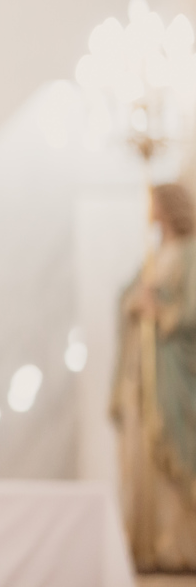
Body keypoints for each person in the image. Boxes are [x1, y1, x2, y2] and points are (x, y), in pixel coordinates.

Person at [112, 182, 196, 572]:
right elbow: (127, 297)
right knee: (143, 457)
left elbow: (190, 312)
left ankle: (181, 547)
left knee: (175, 455)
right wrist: (135, 302)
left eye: (155, 204)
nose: (151, 212)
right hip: (145, 375)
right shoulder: (155, 255)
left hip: (175, 373)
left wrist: (159, 312)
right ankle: (149, 545)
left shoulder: (190, 254)